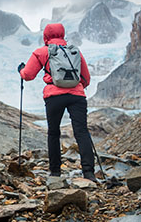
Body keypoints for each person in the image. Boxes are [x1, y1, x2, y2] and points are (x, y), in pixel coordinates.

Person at [17, 23, 96, 181]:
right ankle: (89, 173)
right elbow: (86, 78)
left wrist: (21, 69)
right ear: (62, 35)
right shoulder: (74, 51)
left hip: (54, 96)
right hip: (77, 95)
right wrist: (76, 89)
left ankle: (55, 173)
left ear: (45, 36)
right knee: (81, 132)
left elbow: (28, 75)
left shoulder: (42, 52)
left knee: (53, 133)